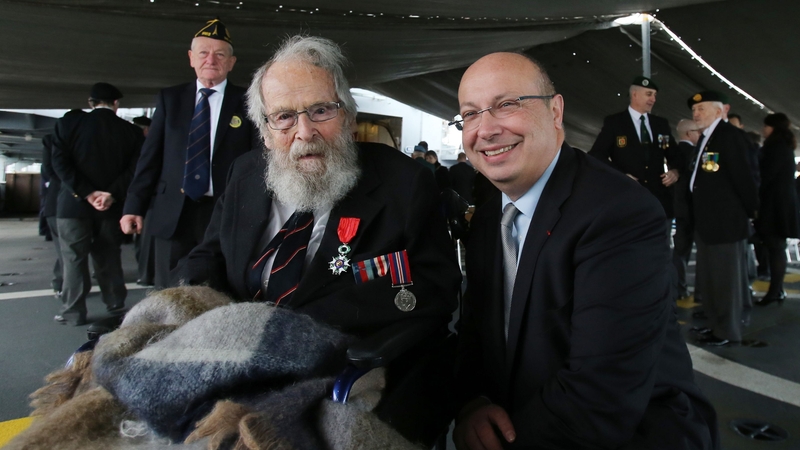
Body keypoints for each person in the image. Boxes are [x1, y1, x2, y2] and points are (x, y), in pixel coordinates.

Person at [174, 35, 461, 443]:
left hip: (347, 374)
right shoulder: (245, 173)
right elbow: (211, 253)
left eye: (320, 110)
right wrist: (187, 300)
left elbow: (433, 288)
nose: (304, 131)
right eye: (284, 117)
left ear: (346, 115)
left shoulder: (403, 183)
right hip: (237, 362)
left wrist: (288, 332)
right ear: (265, 128)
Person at [452, 52, 718, 449]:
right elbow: (477, 332)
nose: (485, 129)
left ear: (555, 111)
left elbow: (599, 395)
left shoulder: (619, 212)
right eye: (470, 114)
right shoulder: (492, 216)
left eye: (507, 104)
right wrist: (471, 404)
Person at [120, 19, 259, 288]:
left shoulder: (249, 101)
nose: (211, 59)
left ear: (231, 62)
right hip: (172, 212)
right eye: (204, 53)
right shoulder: (170, 99)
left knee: (219, 287)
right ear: (191, 58)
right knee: (168, 292)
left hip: (224, 211)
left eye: (220, 54)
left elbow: (257, 160)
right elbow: (150, 158)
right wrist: (133, 207)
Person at [50, 83, 144, 326]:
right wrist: (110, 194)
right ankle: (115, 305)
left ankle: (73, 312)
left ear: (91, 103)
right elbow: (135, 170)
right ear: (116, 104)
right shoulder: (130, 131)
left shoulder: (67, 125)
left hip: (73, 207)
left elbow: (59, 164)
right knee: (109, 256)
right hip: (111, 207)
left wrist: (87, 193)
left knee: (73, 259)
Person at [687, 91, 759, 346]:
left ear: (720, 111)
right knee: (712, 282)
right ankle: (715, 325)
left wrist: (752, 214)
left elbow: (746, 181)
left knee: (727, 284)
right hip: (708, 224)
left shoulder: (730, 137)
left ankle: (727, 331)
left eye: (702, 109)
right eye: (694, 110)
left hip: (726, 224)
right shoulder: (708, 138)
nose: (696, 114)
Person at [588, 76, 682, 238]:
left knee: (661, 250)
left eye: (654, 95)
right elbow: (596, 154)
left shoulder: (660, 124)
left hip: (659, 200)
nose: (653, 99)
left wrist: (675, 171)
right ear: (635, 95)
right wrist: (621, 176)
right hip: (628, 200)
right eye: (649, 94)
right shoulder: (615, 123)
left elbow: (675, 155)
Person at [754, 113, 799, 306]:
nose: (763, 130)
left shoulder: (775, 148)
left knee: (775, 246)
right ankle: (776, 289)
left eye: (766, 126)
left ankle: (775, 291)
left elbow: (766, 176)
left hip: (774, 205)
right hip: (781, 203)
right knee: (775, 246)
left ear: (773, 127)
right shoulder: (785, 146)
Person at [673, 119, 701, 300]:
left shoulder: (672, 152)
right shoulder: (695, 153)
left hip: (678, 208)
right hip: (694, 209)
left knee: (679, 251)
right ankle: (696, 292)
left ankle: (679, 288)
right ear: (689, 134)